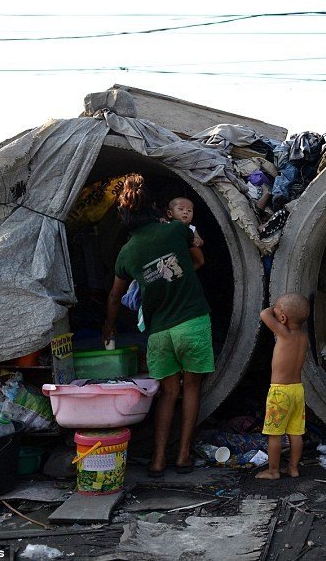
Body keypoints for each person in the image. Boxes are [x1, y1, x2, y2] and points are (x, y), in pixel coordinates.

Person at [103, 174, 212, 477]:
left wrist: (109, 326)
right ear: (155, 208)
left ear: (124, 215)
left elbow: (115, 296)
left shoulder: (126, 253)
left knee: (167, 393)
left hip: (159, 331)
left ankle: (158, 459)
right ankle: (183, 455)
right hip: (192, 320)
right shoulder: (176, 230)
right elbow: (199, 261)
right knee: (191, 388)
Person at [256, 293, 310, 480]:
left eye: (278, 310)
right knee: (296, 432)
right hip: (297, 390)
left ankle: (273, 470)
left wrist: (275, 310)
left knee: (275, 433)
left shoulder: (283, 333)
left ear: (283, 318)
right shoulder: (303, 337)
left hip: (280, 392)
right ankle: (293, 468)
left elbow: (264, 314)